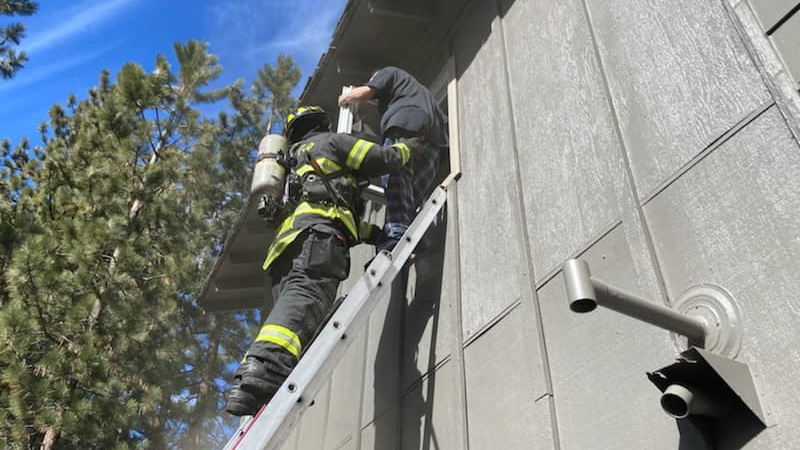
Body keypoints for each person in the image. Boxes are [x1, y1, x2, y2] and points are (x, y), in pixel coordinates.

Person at [225, 105, 421, 416]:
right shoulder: (332, 143)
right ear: (322, 122)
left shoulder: (295, 165)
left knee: (294, 314)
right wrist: (410, 149)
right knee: (305, 301)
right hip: (317, 240)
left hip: (287, 250)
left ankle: (252, 386)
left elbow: (342, 216)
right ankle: (263, 371)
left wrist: (380, 233)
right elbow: (384, 159)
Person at [337, 66, 448, 251]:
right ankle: (412, 232)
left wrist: (348, 97)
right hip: (434, 144)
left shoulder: (389, 72)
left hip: (406, 125)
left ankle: (397, 232)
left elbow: (366, 91)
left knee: (393, 174)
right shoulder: (418, 93)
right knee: (410, 192)